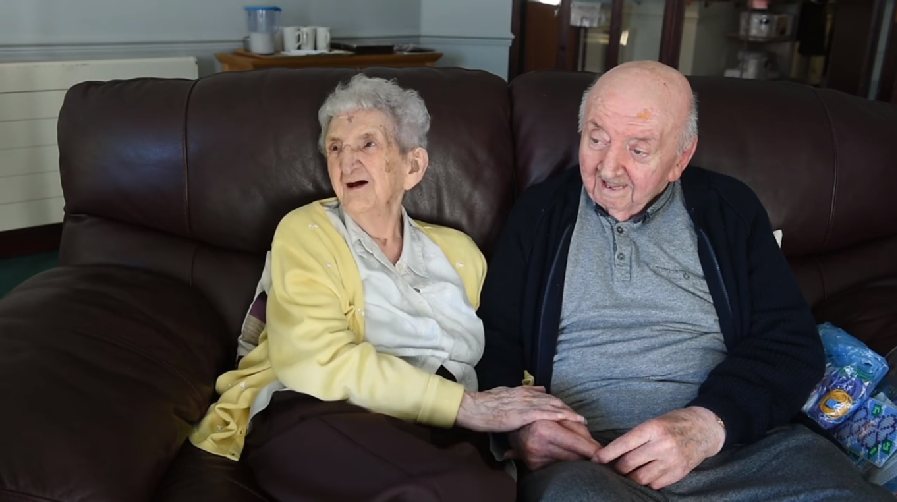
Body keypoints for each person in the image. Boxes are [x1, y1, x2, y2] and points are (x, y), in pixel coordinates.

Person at [476, 61, 893, 501]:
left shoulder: (729, 210)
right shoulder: (539, 215)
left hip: (738, 450)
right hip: (594, 463)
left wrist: (709, 423)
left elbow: (790, 343)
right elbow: (492, 344)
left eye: (638, 150)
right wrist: (519, 429)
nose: (609, 168)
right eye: (596, 140)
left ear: (681, 158)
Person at [187, 74, 586, 502]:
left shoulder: (460, 252)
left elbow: (503, 346)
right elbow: (316, 361)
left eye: (368, 144)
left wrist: (526, 419)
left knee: (488, 489)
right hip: (322, 412)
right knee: (453, 491)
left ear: (413, 166)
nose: (347, 162)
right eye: (335, 148)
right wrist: (464, 406)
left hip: (445, 428)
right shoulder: (306, 232)